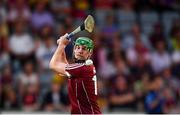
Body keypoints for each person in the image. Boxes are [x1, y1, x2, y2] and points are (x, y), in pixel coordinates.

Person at [49, 33, 101, 114]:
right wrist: (62, 46)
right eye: (77, 47)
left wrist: (61, 45)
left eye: (84, 49)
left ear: (90, 53)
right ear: (74, 50)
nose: (80, 51)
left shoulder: (82, 68)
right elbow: (64, 66)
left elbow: (53, 65)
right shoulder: (80, 68)